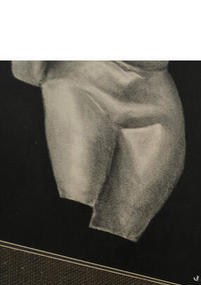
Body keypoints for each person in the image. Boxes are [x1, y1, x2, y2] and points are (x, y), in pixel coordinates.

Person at [12, 61, 186, 242]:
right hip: (84, 77)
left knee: (118, 237)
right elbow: (23, 69)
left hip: (155, 92)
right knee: (71, 217)